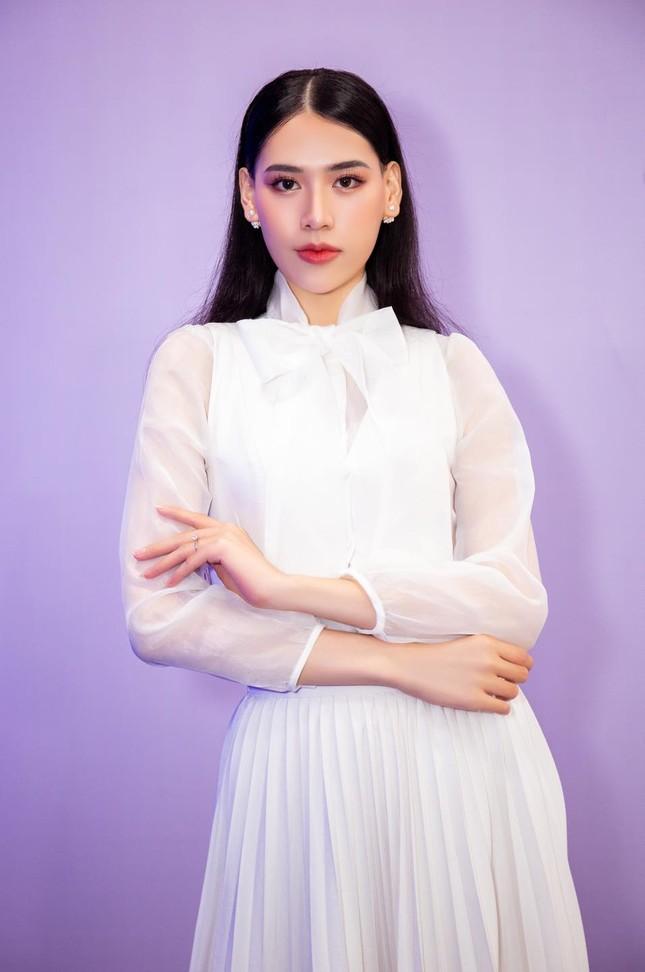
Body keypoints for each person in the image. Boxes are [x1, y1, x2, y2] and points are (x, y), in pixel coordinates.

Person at [118, 67, 589, 971]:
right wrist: (403, 664)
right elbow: (159, 616)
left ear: (392, 190)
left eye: (346, 180)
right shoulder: (198, 363)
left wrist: (285, 588)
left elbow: (512, 600)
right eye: (284, 183)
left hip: (469, 755)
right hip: (300, 755)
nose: (315, 216)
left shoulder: (452, 368)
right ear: (247, 198)